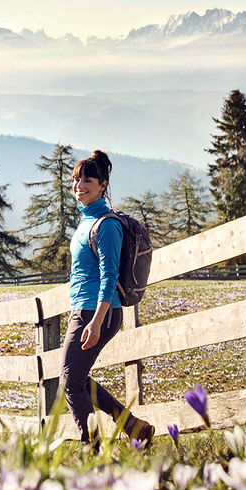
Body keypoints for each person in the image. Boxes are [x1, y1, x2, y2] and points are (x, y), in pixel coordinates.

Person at [63, 150, 154, 447]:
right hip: (83, 309)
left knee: (71, 380)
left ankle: (92, 447)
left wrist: (96, 321)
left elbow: (109, 276)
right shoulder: (86, 221)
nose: (79, 186)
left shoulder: (107, 225)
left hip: (99, 311)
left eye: (87, 180)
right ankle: (133, 426)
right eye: (77, 180)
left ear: (103, 185)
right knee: (75, 378)